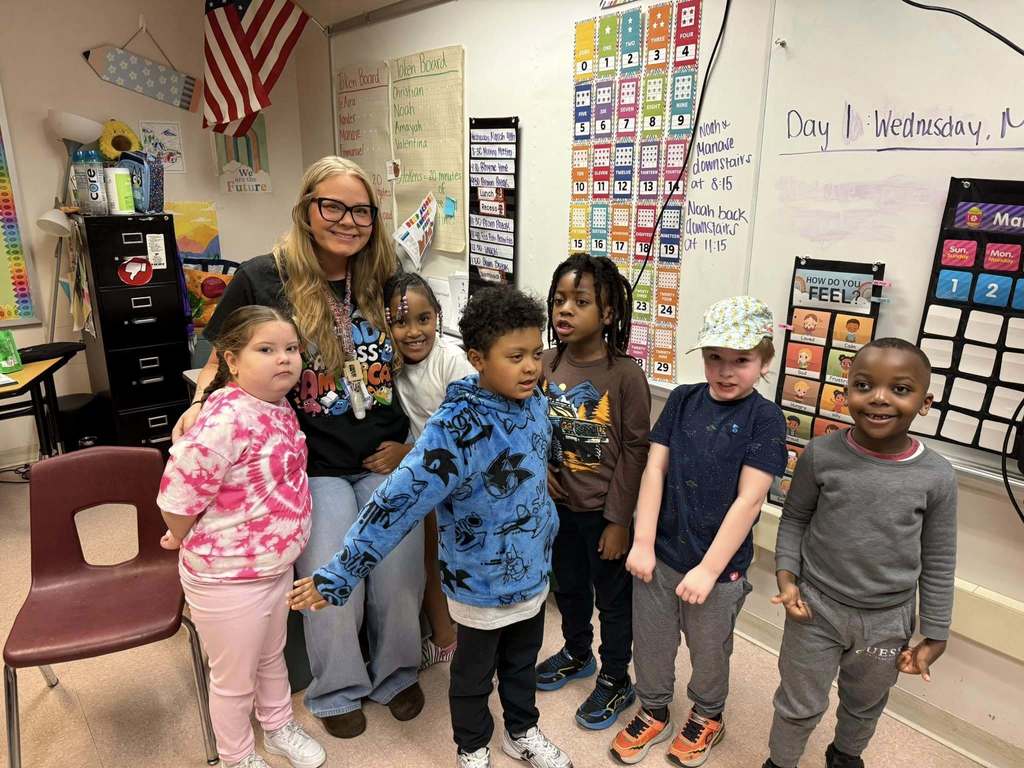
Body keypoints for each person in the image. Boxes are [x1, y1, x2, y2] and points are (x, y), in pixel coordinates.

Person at [172, 156, 422, 739]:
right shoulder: (265, 275)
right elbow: (223, 355)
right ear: (307, 209)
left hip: (384, 451)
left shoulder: (387, 273)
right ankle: (337, 689)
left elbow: (422, 345)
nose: (347, 220)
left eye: (360, 210)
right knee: (329, 570)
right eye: (331, 206)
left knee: (400, 568)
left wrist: (414, 445)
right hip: (306, 462)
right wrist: (199, 403)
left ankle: (398, 671)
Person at [289, 286, 573, 768]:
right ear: (478, 359)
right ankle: (473, 747)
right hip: (479, 581)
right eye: (516, 356)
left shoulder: (533, 398)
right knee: (473, 675)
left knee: (522, 665)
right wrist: (339, 574)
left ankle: (521, 732)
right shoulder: (454, 428)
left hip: (531, 571)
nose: (530, 367)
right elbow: (395, 503)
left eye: (535, 354)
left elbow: (539, 452)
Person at [762, 338, 957, 768]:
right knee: (799, 702)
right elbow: (794, 519)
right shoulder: (821, 453)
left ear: (925, 403)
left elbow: (940, 560)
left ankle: (846, 756)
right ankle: (780, 762)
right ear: (846, 389)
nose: (879, 398)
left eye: (900, 389)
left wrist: (937, 633)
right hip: (815, 610)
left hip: (888, 622)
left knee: (864, 703)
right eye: (864, 385)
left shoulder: (937, 476)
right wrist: (786, 578)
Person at [610, 296, 787, 767]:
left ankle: (708, 715)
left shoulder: (765, 419)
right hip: (661, 554)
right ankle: (652, 708)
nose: (726, 371)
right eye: (716, 358)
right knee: (650, 640)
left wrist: (709, 570)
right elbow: (654, 471)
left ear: (764, 362)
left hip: (718, 569)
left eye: (742, 361)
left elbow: (749, 501)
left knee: (710, 651)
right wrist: (642, 541)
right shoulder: (685, 399)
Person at [158, 306, 326, 768]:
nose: (285, 359)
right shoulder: (224, 421)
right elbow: (176, 496)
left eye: (291, 349)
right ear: (232, 360)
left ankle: (276, 728)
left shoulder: (278, 405)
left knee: (272, 657)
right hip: (228, 577)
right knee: (233, 680)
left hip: (273, 567)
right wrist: (182, 537)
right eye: (266, 350)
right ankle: (237, 757)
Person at [535, 254, 650, 730]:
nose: (565, 310)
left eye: (580, 302)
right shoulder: (544, 362)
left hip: (606, 515)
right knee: (570, 589)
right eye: (560, 300)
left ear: (607, 314)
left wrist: (619, 520)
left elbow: (636, 451)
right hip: (558, 509)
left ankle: (618, 676)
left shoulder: (625, 375)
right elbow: (527, 426)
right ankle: (577, 652)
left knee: (614, 602)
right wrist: (541, 470)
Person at [382, 271, 475, 669]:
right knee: (429, 557)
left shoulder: (451, 360)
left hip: (462, 477)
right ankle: (446, 633)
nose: (413, 331)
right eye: (400, 322)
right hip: (431, 478)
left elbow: (472, 428)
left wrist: (407, 452)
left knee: (448, 560)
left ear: (439, 315)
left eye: (424, 319)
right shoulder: (392, 363)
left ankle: (456, 638)